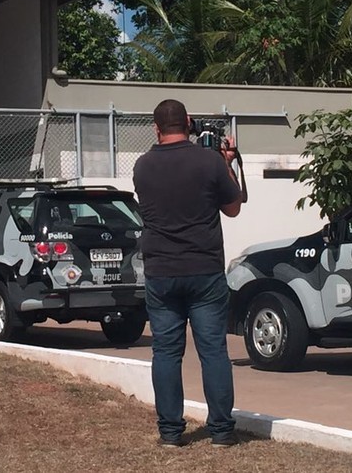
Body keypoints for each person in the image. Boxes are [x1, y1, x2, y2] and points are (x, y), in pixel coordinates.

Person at [132, 99, 244, 448]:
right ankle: (221, 431)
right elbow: (233, 208)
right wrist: (227, 163)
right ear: (189, 122)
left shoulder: (142, 166)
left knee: (166, 352)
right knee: (213, 352)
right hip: (204, 270)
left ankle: (170, 432)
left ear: (156, 127)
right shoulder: (209, 161)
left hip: (161, 271)